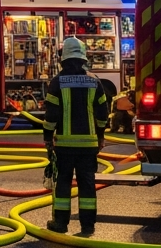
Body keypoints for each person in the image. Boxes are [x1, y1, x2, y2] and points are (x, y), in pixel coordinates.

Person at [42, 36, 111, 235]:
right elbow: (102, 114)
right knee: (87, 185)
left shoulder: (57, 82)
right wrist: (100, 136)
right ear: (83, 58)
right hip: (88, 146)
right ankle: (87, 226)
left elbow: (51, 116)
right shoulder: (94, 81)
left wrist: (48, 138)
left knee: (63, 184)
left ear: (63, 58)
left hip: (64, 146)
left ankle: (61, 224)